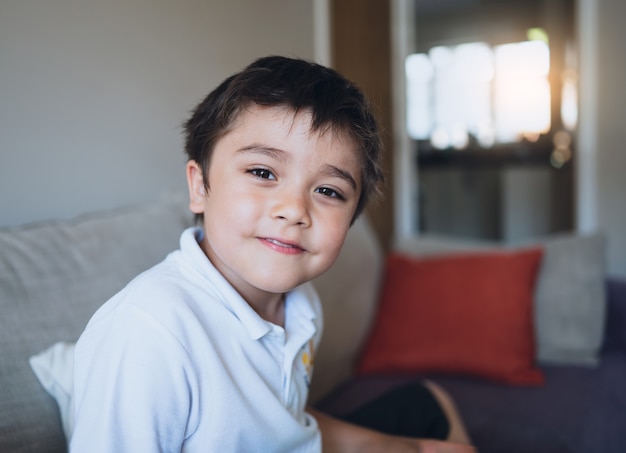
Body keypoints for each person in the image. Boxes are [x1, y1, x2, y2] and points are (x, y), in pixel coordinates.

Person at [71, 55, 475, 452]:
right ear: (199, 187)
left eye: (329, 192)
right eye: (263, 173)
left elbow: (281, 424)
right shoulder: (151, 332)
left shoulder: (301, 304)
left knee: (429, 405)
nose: (295, 210)